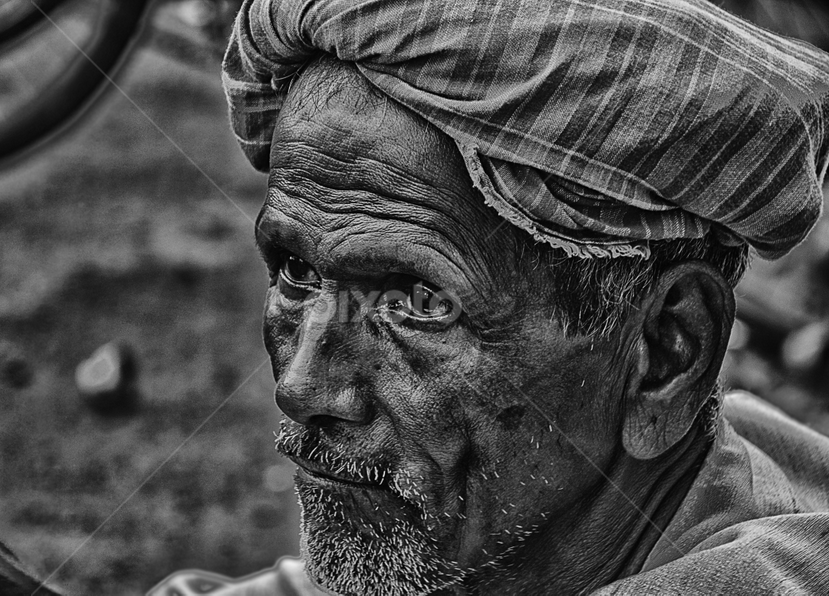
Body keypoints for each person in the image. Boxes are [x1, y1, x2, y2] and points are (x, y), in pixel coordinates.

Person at [149, 0, 829, 593]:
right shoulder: (530, 529)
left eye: (418, 302)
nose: (302, 387)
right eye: (295, 270)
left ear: (664, 355)